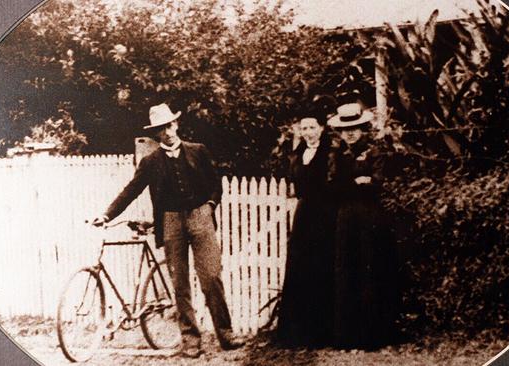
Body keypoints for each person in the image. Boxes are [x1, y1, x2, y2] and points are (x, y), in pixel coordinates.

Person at [92, 103, 244, 358]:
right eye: (161, 130)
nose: (167, 132)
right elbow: (131, 190)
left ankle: (226, 335)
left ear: (176, 124)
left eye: (169, 126)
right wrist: (107, 214)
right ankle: (190, 340)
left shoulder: (198, 151)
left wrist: (209, 206)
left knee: (211, 276)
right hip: (170, 222)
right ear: (157, 134)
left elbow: (215, 185)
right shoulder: (150, 162)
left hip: (200, 217)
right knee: (179, 284)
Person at [327, 102, 400, 349]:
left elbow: (378, 183)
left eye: (355, 128)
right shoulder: (337, 154)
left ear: (363, 128)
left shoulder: (375, 151)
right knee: (346, 270)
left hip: (370, 217)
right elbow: (333, 187)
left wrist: (360, 183)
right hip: (346, 217)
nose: (350, 133)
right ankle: (347, 337)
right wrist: (356, 182)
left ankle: (372, 336)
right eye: (346, 130)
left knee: (370, 270)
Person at [276, 109, 337, 348]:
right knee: (301, 267)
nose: (309, 132)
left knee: (323, 265)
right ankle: (298, 332)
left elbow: (333, 183)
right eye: (305, 128)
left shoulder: (331, 152)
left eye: (313, 127)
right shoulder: (297, 154)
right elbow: (296, 185)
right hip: (304, 215)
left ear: (321, 128)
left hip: (326, 214)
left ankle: (324, 332)